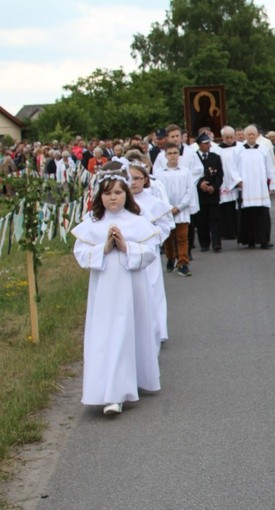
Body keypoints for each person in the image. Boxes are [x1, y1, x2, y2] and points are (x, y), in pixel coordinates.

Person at [71, 169, 161, 415]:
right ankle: (109, 390)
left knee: (128, 331)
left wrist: (125, 246)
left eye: (119, 192)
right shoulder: (92, 224)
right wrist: (105, 247)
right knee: (107, 334)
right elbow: (82, 255)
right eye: (108, 193)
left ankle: (123, 388)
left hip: (133, 289)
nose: (113, 198)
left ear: (127, 194)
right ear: (100, 196)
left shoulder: (137, 222)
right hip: (105, 292)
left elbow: (151, 251)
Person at [128, 162, 174, 347]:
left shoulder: (154, 202)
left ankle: (158, 330)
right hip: (129, 252)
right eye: (130, 179)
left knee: (153, 289)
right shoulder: (122, 201)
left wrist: (152, 241)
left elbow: (165, 225)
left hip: (149, 253)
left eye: (137, 178)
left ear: (145, 180)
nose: (133, 183)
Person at [155, 142, 195, 276]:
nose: (173, 156)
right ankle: (171, 257)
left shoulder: (185, 172)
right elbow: (158, 193)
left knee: (182, 237)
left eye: (175, 153)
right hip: (166, 211)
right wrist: (167, 208)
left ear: (179, 155)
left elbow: (190, 191)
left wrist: (180, 206)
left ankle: (183, 263)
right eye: (170, 153)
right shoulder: (160, 173)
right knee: (168, 238)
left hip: (181, 210)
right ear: (165, 155)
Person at [239, 125, 275, 248]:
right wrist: (237, 182)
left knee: (262, 214)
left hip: (260, 188)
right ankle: (249, 240)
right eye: (249, 134)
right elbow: (233, 169)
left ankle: (263, 240)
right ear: (245, 135)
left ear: (257, 135)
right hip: (246, 188)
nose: (251, 136)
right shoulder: (239, 150)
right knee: (248, 214)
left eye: (253, 134)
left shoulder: (263, 149)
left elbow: (269, 168)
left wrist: (272, 184)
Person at [191, 133, 224, 252]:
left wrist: (214, 187)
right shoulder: (193, 157)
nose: (208, 145)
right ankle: (204, 243)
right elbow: (191, 174)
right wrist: (200, 183)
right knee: (202, 220)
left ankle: (216, 242)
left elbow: (220, 176)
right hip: (199, 194)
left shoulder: (215, 157)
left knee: (215, 218)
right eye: (205, 143)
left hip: (212, 193)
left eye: (209, 143)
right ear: (199, 144)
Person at [217, 126, 243, 240]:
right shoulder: (217, 150)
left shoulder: (240, 147)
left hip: (238, 181)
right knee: (226, 208)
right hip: (224, 182)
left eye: (231, 137)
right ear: (222, 137)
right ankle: (227, 232)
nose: (229, 140)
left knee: (238, 207)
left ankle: (240, 230)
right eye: (226, 137)